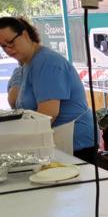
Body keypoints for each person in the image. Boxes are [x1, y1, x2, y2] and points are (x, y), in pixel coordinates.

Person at [0, 16, 95, 160]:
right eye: (3, 46)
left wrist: (17, 142)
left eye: (10, 42)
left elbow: (48, 114)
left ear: (25, 35)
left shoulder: (48, 62)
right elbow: (16, 103)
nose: (8, 49)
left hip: (75, 142)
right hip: (52, 139)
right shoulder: (26, 64)